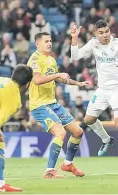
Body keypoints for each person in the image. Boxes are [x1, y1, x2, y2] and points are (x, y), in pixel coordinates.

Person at [70, 19, 118, 175]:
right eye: (101, 33)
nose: (105, 35)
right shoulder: (93, 44)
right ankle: (106, 139)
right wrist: (74, 38)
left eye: (107, 32)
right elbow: (75, 57)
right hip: (102, 89)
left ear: (110, 31)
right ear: (96, 34)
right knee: (88, 120)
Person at [27, 32, 89, 178]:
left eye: (50, 40)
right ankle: (49, 171)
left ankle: (67, 164)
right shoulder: (34, 59)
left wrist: (78, 83)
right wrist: (57, 75)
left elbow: (60, 79)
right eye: (46, 41)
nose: (49, 43)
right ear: (38, 44)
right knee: (60, 133)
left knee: (78, 132)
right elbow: (37, 80)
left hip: (52, 103)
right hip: (39, 105)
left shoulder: (51, 59)